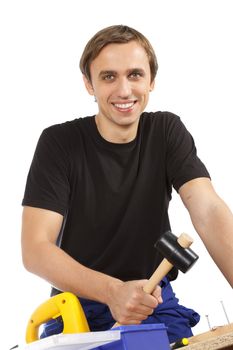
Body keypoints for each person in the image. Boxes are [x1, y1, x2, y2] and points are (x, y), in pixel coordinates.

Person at [21, 25, 233, 343]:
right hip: (78, 309)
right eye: (109, 77)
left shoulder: (166, 131)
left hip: (152, 303)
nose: (124, 90)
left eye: (135, 75)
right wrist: (112, 291)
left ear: (151, 81)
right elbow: (35, 249)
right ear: (88, 84)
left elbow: (208, 209)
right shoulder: (59, 143)